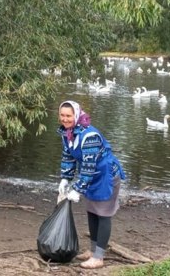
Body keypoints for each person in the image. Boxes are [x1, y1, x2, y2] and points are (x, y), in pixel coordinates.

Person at [56, 100, 126, 270]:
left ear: (77, 115)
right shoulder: (68, 133)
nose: (65, 119)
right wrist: (65, 178)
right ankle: (93, 250)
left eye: (69, 116)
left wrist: (77, 189)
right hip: (92, 178)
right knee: (92, 212)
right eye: (62, 115)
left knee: (103, 214)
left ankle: (99, 257)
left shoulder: (90, 136)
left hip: (106, 176)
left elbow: (89, 166)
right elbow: (69, 156)